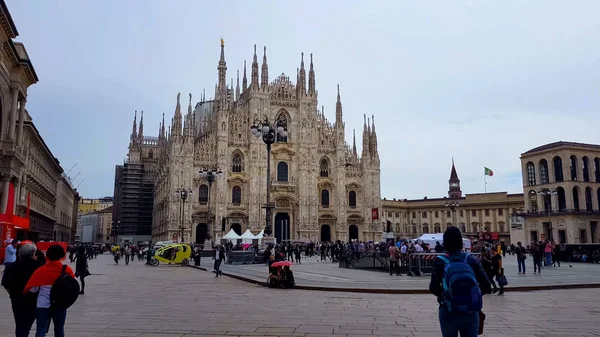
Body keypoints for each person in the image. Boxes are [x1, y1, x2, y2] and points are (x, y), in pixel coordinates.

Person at [429, 226, 491, 337]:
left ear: (445, 242)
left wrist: (446, 296)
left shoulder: (439, 261)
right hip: (471, 311)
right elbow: (487, 286)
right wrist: (472, 295)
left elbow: (433, 288)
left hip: (448, 309)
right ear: (461, 242)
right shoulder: (472, 260)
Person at [24, 244, 75, 337]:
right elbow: (73, 285)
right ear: (61, 255)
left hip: (43, 304)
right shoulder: (66, 269)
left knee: (41, 329)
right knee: (59, 328)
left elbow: (32, 290)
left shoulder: (41, 270)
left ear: (48, 255)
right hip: (60, 304)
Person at [2, 243, 41, 337]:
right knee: (27, 324)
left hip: (16, 299)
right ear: (33, 254)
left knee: (19, 324)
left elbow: (5, 283)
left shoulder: (12, 266)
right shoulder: (38, 266)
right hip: (33, 299)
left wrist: (12, 293)